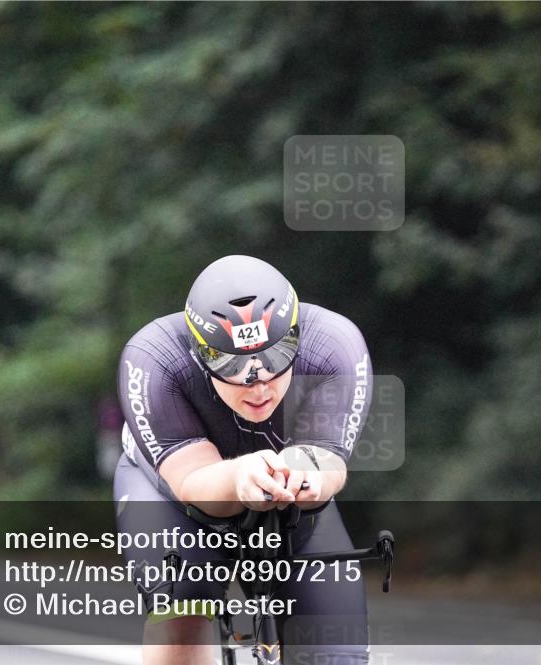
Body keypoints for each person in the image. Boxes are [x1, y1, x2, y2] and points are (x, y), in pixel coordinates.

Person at [114, 255, 372, 665]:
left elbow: (327, 460)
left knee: (333, 649)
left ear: (296, 336)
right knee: (183, 610)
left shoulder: (333, 344)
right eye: (231, 365)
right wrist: (239, 477)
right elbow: (192, 481)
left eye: (276, 356)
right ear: (200, 353)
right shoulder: (154, 358)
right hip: (175, 497)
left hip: (286, 499)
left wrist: (304, 472)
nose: (259, 383)